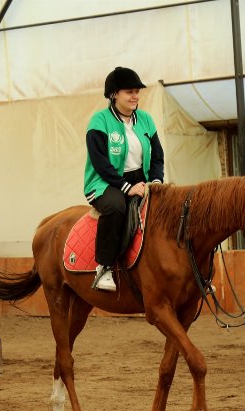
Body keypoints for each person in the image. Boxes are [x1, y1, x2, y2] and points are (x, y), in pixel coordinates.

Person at [83, 66, 164, 292]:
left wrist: (156, 182)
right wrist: (126, 187)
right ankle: (105, 267)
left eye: (137, 91)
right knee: (117, 207)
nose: (135, 96)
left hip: (142, 179)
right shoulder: (99, 121)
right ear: (114, 94)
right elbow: (101, 163)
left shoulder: (146, 120)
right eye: (129, 91)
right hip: (104, 182)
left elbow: (157, 156)